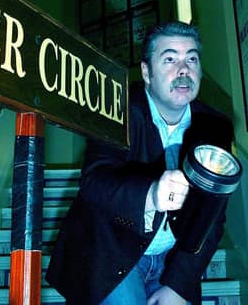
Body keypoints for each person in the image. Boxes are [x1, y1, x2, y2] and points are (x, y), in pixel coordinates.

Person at [46, 21, 235, 305]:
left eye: (192, 59)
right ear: (146, 72)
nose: (183, 70)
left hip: (173, 256)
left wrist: (179, 287)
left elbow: (212, 217)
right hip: (112, 249)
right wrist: (152, 194)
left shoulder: (216, 126)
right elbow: (95, 181)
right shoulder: (116, 109)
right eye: (170, 59)